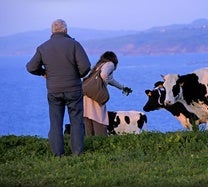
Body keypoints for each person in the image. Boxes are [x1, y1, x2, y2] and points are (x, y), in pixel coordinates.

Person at [26, 19, 91, 156]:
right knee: (76, 122)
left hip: (54, 91)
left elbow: (31, 67)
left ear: (52, 31)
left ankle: (58, 155)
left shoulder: (43, 47)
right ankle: (77, 154)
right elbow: (85, 67)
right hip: (73, 89)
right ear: (65, 30)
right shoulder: (74, 45)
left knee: (55, 123)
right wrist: (76, 75)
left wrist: (43, 72)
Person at [83, 51, 132, 136]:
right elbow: (104, 75)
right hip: (96, 94)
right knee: (99, 117)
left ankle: (90, 140)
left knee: (88, 117)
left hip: (88, 94)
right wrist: (103, 87)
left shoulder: (99, 65)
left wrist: (122, 87)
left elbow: (110, 80)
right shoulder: (110, 64)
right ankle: (101, 141)